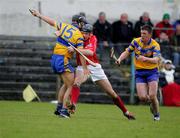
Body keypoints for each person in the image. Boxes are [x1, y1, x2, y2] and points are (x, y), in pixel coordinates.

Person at [29, 9, 89, 118]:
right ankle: (64, 111)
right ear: (79, 23)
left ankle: (58, 108)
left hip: (55, 58)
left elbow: (51, 21)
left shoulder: (63, 26)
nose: (83, 26)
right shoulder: (79, 35)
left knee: (66, 84)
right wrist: (84, 68)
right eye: (83, 24)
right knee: (71, 85)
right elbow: (80, 53)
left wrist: (39, 15)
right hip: (63, 59)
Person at [68, 24, 135, 120]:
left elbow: (90, 53)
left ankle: (126, 112)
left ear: (91, 34)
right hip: (82, 67)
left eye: (86, 33)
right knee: (76, 83)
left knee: (111, 93)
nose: (83, 35)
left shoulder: (93, 39)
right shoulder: (78, 38)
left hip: (94, 67)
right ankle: (73, 105)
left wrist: (75, 49)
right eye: (82, 33)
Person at [116, 25, 161, 121]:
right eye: (141, 33)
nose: (142, 35)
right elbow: (127, 52)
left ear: (150, 34)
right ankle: (152, 102)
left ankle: (156, 115)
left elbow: (156, 60)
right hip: (140, 72)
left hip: (152, 71)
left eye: (144, 34)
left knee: (153, 95)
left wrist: (144, 59)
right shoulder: (136, 42)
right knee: (142, 97)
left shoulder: (155, 45)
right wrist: (120, 59)